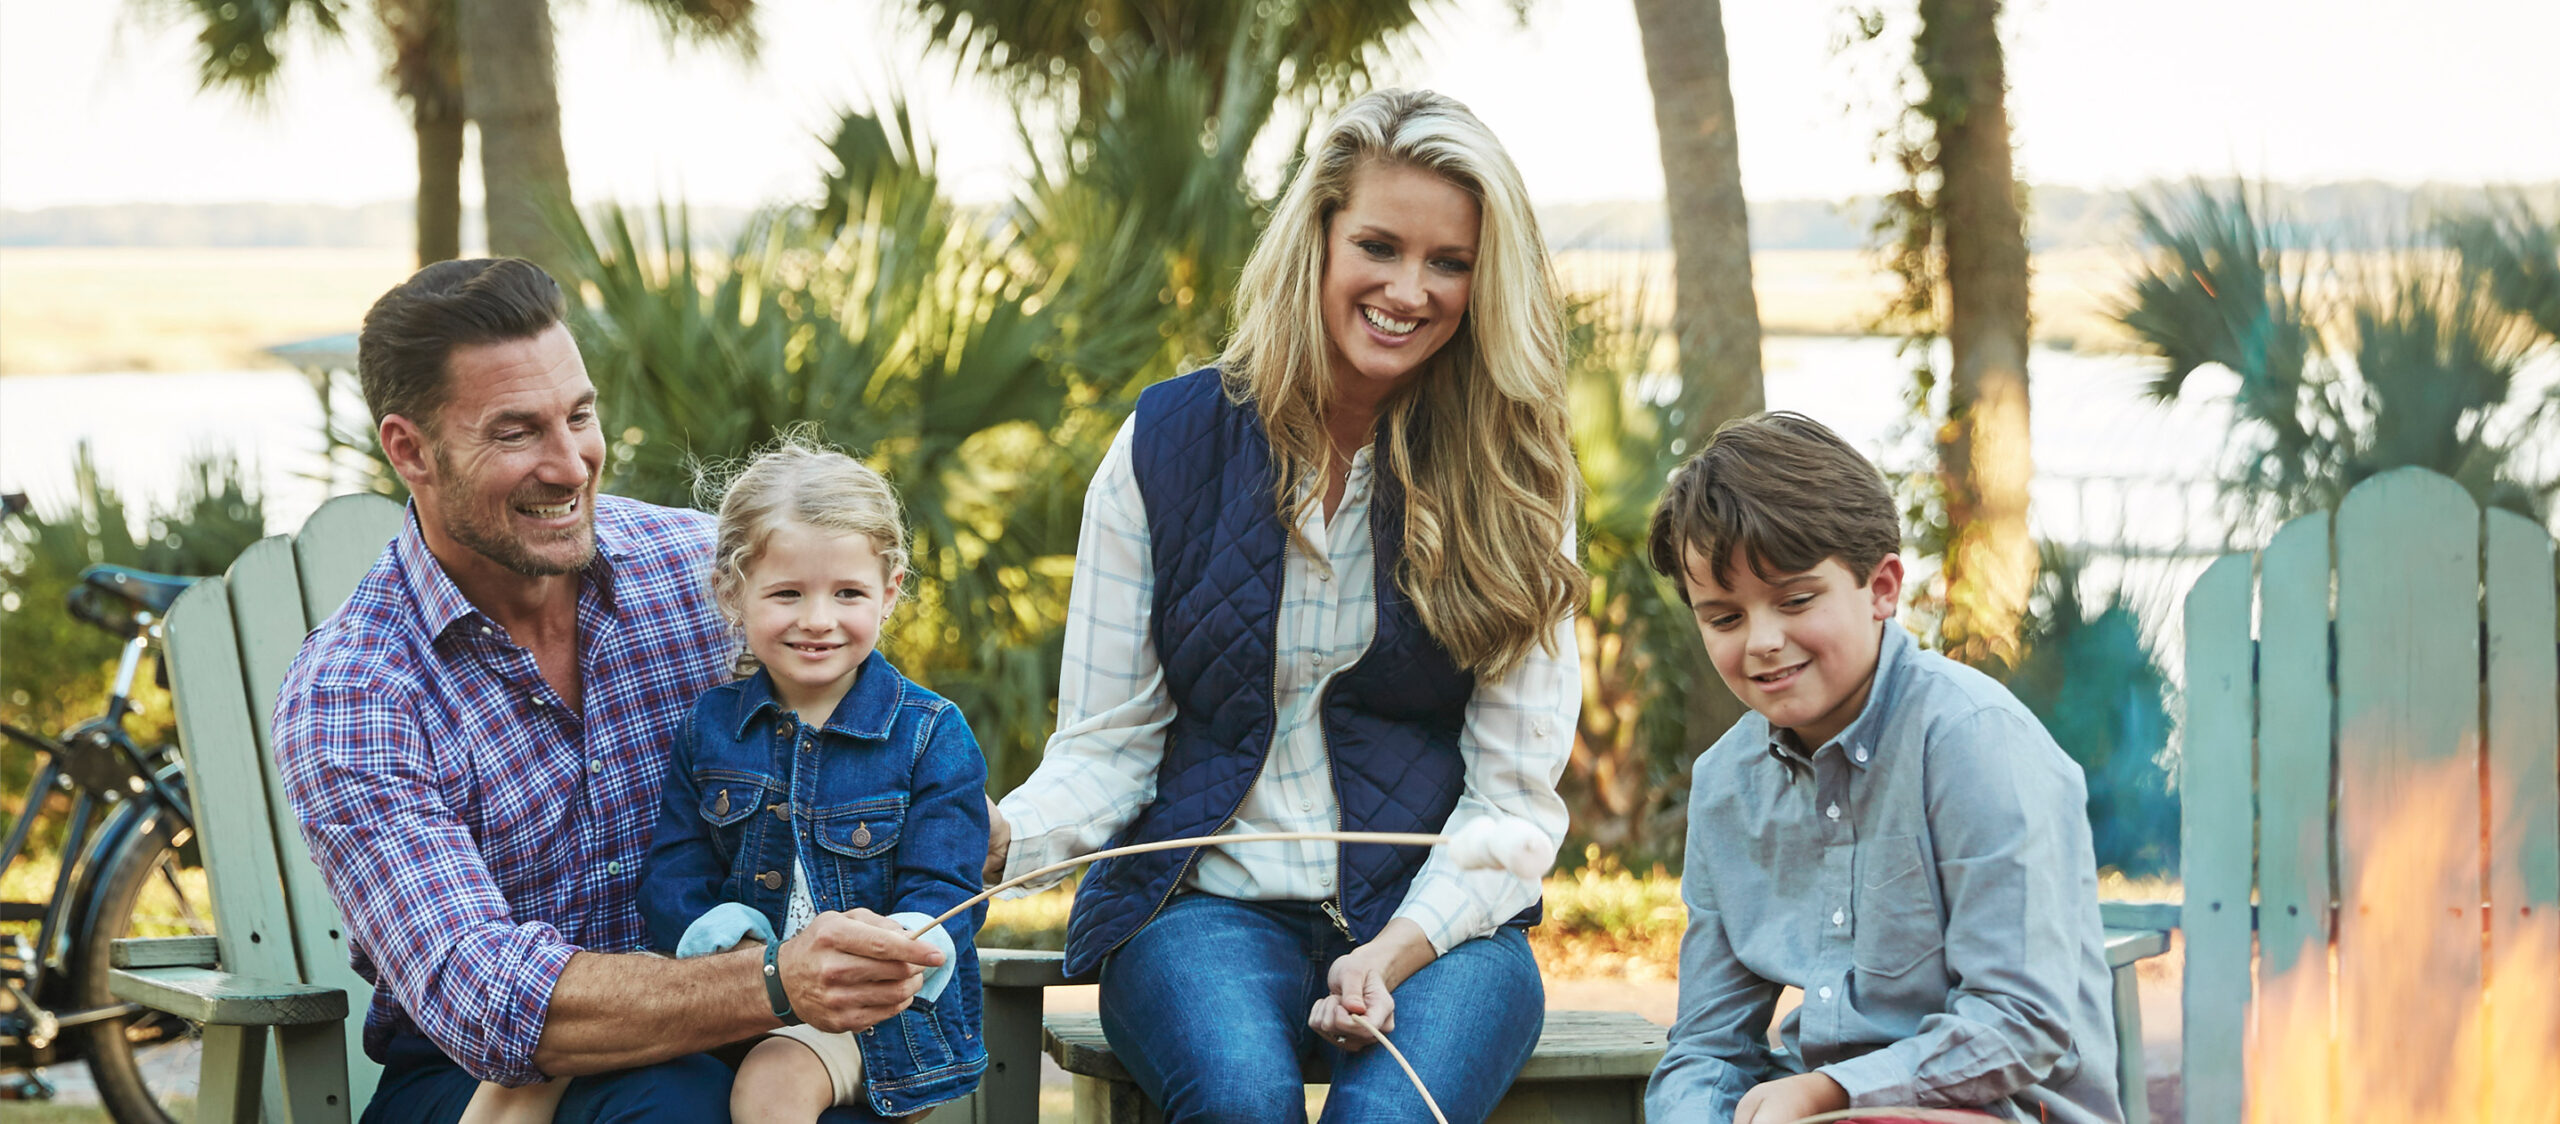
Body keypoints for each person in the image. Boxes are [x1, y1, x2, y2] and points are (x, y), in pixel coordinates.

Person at [983, 88, 1586, 1123]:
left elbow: (1513, 802)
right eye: (1379, 246)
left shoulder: (1515, 471)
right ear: (1318, 240)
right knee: (1241, 1101)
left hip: (1442, 928)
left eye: (1449, 262)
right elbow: (1110, 747)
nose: (1408, 290)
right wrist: (1000, 837)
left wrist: (1395, 949)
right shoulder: (1166, 444)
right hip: (1201, 914)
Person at [274, 258, 947, 1124]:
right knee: (677, 1105)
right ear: (410, 450)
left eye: (580, 417)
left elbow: (871, 735)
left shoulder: (711, 577)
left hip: (753, 1040)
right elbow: (484, 994)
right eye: (517, 433)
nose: (571, 465)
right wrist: (777, 980)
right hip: (475, 1082)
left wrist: (941, 808)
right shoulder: (355, 693)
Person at [1639, 412, 2123, 1124]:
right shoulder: (1725, 784)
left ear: (1883, 588)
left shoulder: (1974, 741)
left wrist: (1826, 1091)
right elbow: (1707, 1046)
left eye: (1795, 600)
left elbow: (2021, 1021)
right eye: (1724, 618)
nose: (1762, 641)